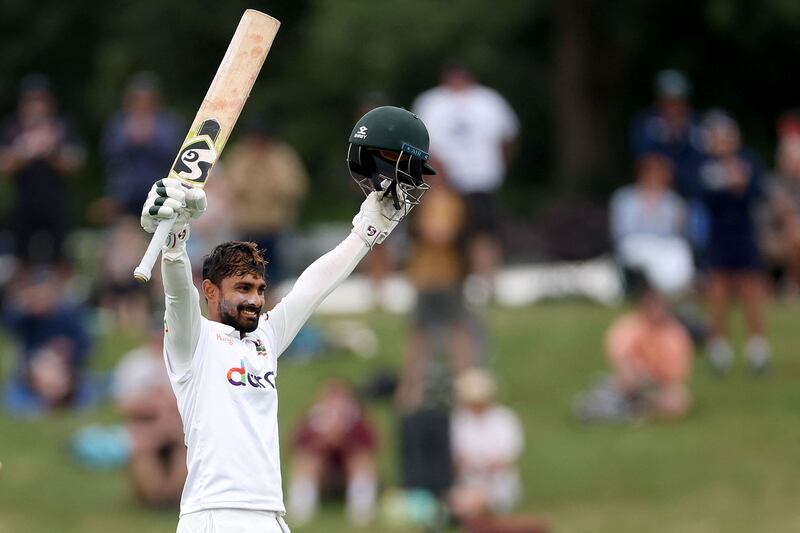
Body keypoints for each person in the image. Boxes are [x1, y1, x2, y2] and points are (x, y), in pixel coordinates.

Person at [139, 106, 434, 532]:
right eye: (243, 289)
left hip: (269, 515)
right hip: (214, 515)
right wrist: (175, 233)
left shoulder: (266, 339)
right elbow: (176, 292)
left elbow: (314, 286)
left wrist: (364, 234)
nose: (255, 301)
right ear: (211, 291)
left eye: (259, 290)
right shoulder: (193, 343)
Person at [412, 62, 519, 303]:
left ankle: (487, 285)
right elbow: (420, 144)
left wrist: (497, 168)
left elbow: (507, 138)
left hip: (480, 179)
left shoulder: (488, 101)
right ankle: (449, 286)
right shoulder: (432, 102)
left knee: (484, 234)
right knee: (447, 236)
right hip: (444, 183)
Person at [698, 110, 769, 374]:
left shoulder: (749, 162)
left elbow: (759, 191)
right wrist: (728, 184)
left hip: (745, 234)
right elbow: (701, 194)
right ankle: (720, 352)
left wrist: (741, 185)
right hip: (719, 237)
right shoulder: (704, 165)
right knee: (717, 292)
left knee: (751, 291)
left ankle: (757, 351)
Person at [0, 74, 85, 269]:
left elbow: (76, 164)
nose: (37, 106)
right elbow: (4, 166)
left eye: (41, 100)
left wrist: (51, 151)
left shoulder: (62, 127)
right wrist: (24, 151)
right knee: (20, 262)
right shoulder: (13, 128)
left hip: (56, 205)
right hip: (23, 206)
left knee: (62, 260)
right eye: (32, 100)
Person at [222, 117, 308, 281]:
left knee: (276, 274)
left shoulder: (282, 157)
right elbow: (230, 187)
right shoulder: (239, 156)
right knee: (245, 274)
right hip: (246, 227)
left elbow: (295, 187)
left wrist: (270, 174)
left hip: (275, 227)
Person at [112, 317, 186, 506]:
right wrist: (153, 407)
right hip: (144, 425)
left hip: (176, 424)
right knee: (142, 447)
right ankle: (157, 498)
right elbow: (123, 405)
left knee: (184, 446)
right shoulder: (133, 363)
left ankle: (174, 496)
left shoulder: (184, 362)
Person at [287, 379, 378, 527]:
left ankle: (362, 508)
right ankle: (300, 507)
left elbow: (370, 446)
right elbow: (296, 447)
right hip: (322, 475)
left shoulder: (356, 420)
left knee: (361, 460)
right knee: (306, 460)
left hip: (346, 473)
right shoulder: (312, 420)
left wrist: (343, 439)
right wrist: (323, 441)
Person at [1, 270, 92, 415]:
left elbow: (85, 345)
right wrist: (24, 306)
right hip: (34, 367)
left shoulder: (67, 315)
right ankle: (51, 401)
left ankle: (54, 401)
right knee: (43, 368)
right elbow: (8, 325)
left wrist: (68, 351)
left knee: (55, 370)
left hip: (64, 365)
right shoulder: (27, 318)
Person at [610, 153, 693, 295]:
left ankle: (675, 289)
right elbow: (621, 230)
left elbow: (676, 232)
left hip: (664, 243)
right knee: (651, 256)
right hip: (635, 242)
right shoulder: (625, 197)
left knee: (678, 250)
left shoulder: (673, 201)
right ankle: (659, 291)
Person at [449, 368, 524, 521]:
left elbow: (506, 459)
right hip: (467, 482)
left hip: (498, 484)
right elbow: (457, 458)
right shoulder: (459, 420)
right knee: (463, 497)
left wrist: (482, 466)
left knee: (475, 499)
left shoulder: (504, 419)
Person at [760, 112, 800, 297]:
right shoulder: (771, 183)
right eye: (791, 159)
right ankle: (791, 283)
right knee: (795, 231)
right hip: (771, 236)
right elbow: (771, 216)